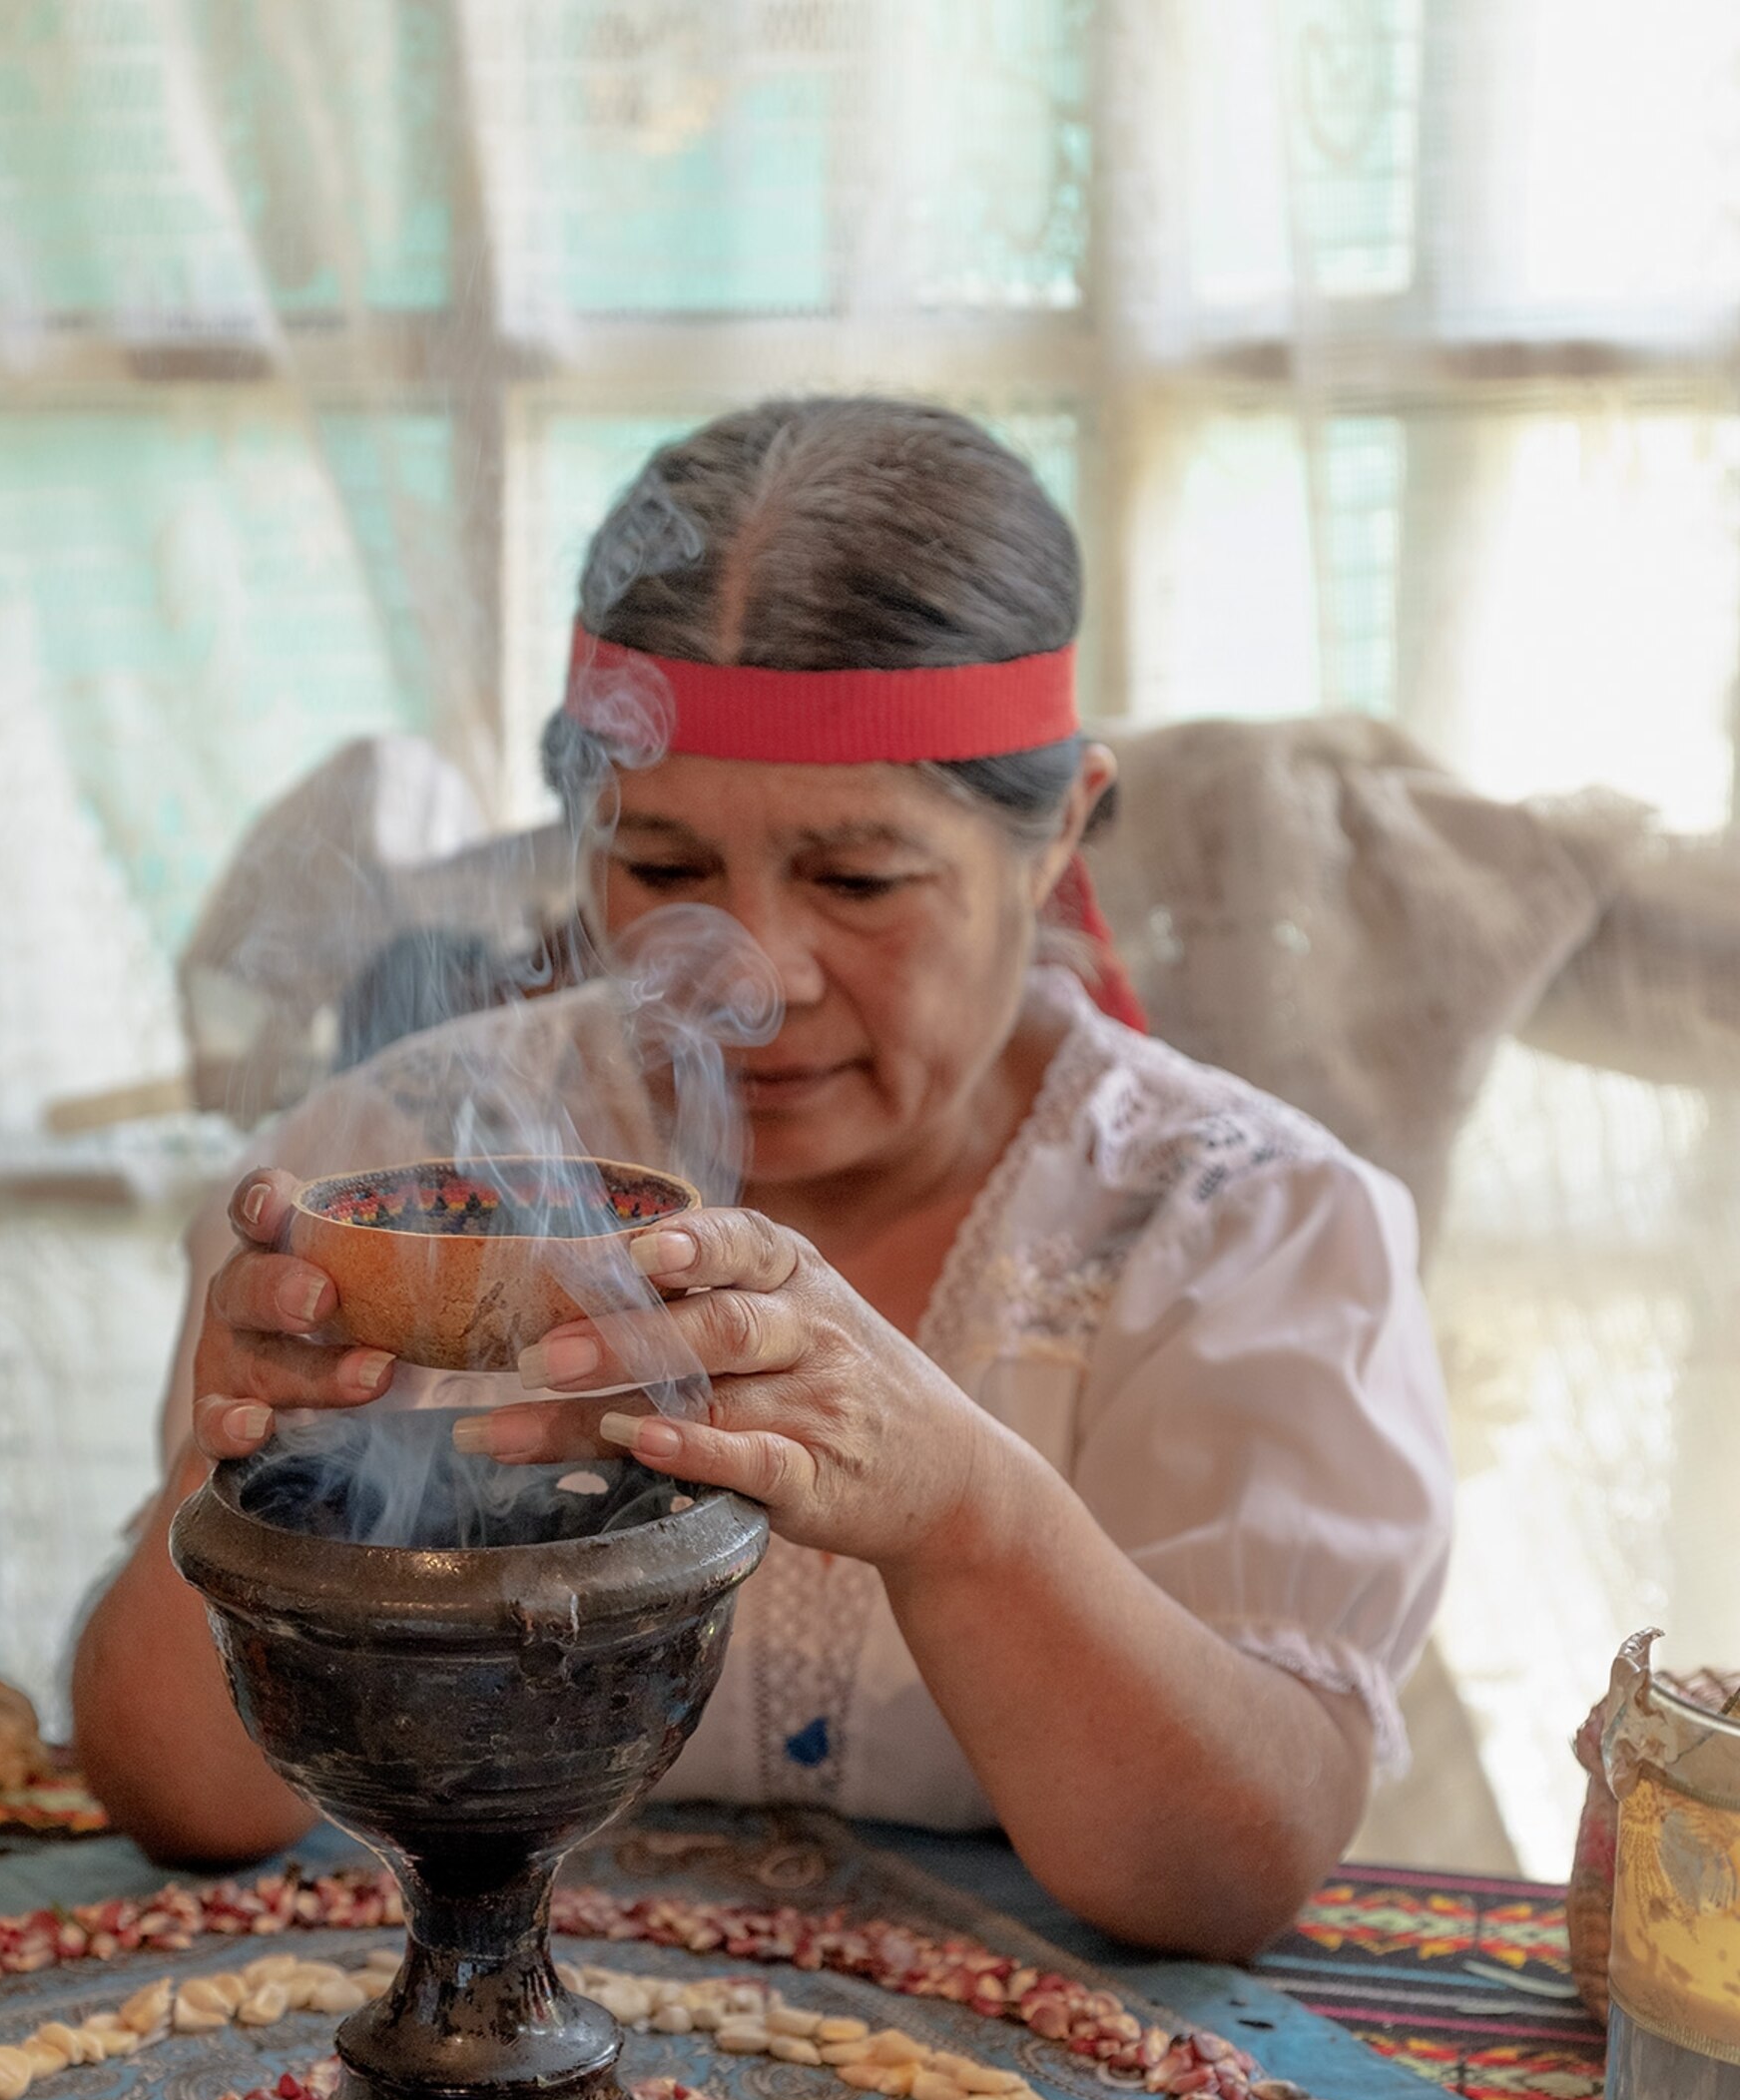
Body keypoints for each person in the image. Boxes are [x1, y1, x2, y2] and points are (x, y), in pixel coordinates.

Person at [72, 397, 1453, 1960]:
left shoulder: (1243, 1229)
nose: (753, 971)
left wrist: (968, 1514)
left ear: (1057, 834)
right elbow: (188, 1807)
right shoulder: (401, 1167)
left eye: (859, 879)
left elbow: (1225, 1880)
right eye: (661, 867)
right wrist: (253, 1472)